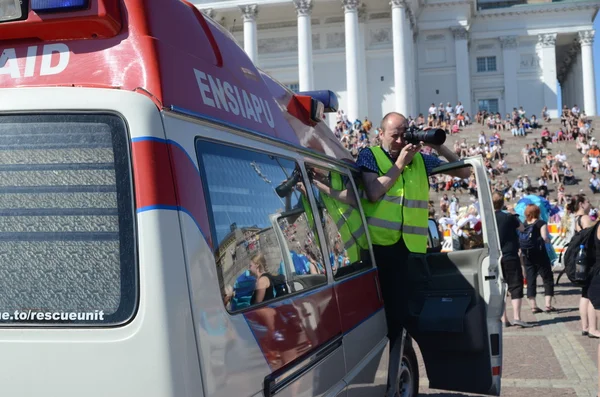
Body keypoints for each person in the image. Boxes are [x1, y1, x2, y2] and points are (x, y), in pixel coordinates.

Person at [356, 112, 469, 397]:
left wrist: (437, 143)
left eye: (403, 133)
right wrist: (399, 164)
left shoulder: (420, 159)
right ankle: (387, 380)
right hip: (381, 251)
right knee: (390, 321)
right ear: (380, 134)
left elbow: (463, 171)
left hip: (412, 251)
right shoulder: (369, 155)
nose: (398, 139)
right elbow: (372, 192)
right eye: (393, 134)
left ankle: (398, 374)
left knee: (406, 320)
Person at [493, 192, 532, 328]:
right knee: (515, 285)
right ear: (502, 202)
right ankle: (517, 317)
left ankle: (504, 319)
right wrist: (514, 213)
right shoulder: (509, 217)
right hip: (510, 254)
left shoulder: (488, 218)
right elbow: (522, 228)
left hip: (495, 256)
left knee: (500, 287)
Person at [567, 194, 600, 338]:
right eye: (586, 201)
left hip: (580, 260)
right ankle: (592, 327)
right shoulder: (585, 219)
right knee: (590, 295)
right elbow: (590, 239)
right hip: (589, 260)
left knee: (585, 295)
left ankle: (585, 326)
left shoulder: (575, 218)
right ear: (581, 204)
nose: (589, 204)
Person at [520, 204, 556, 313]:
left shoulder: (524, 224)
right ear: (538, 212)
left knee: (530, 279)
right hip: (540, 254)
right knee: (547, 278)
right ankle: (548, 305)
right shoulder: (541, 223)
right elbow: (545, 237)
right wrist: (548, 241)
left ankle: (533, 306)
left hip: (527, 254)